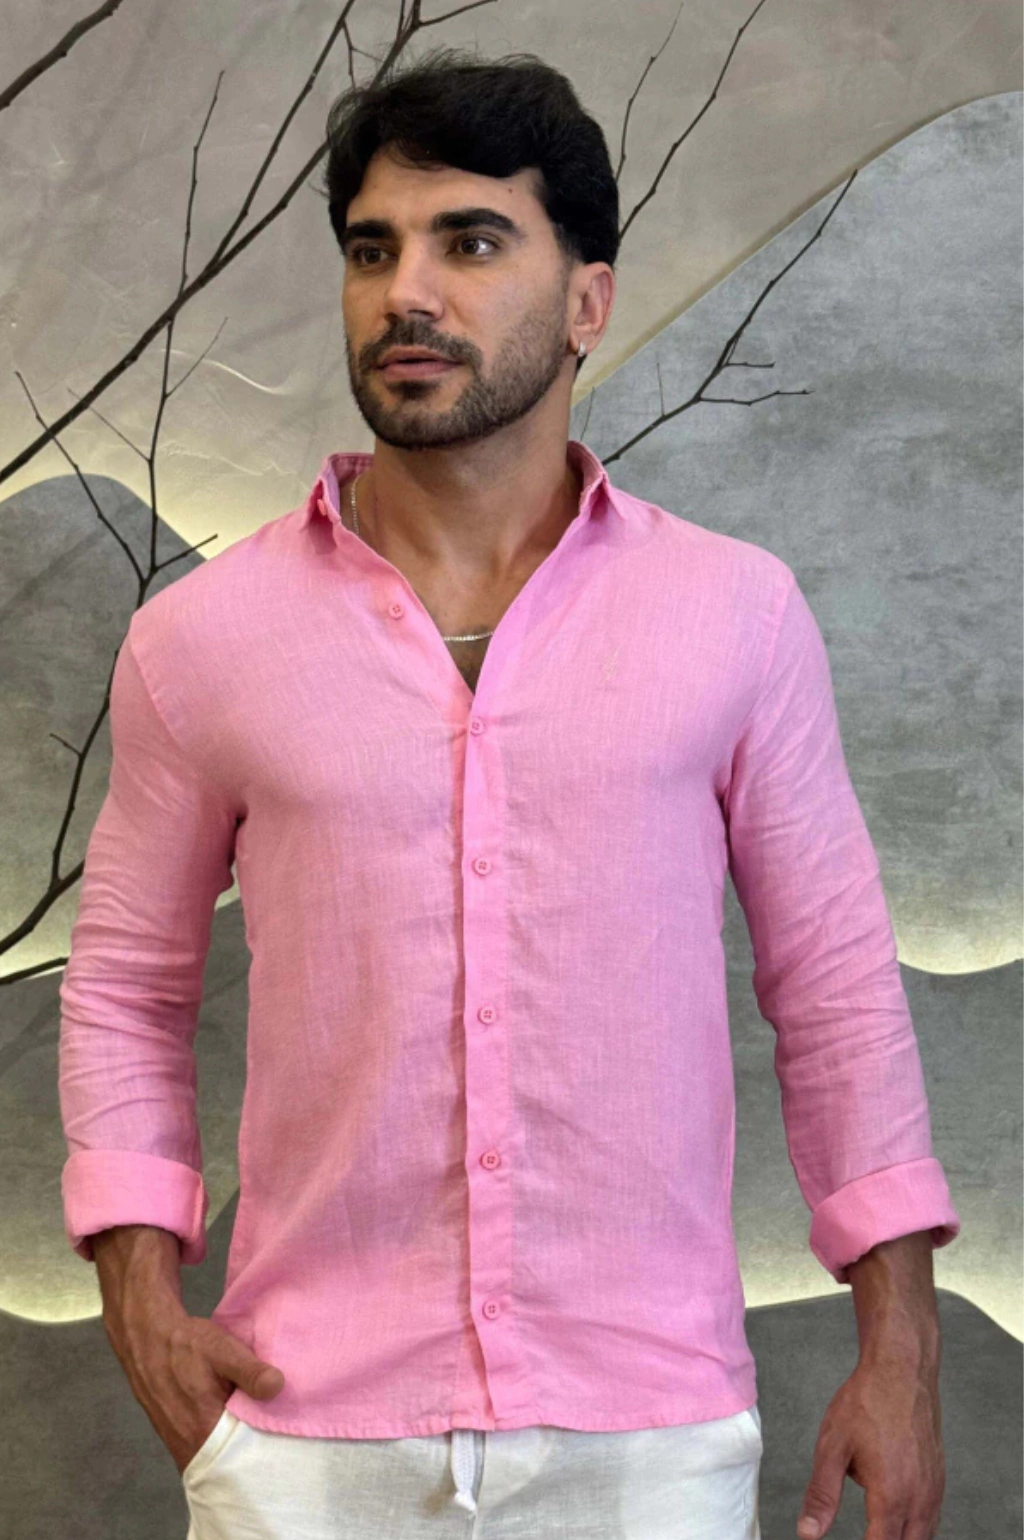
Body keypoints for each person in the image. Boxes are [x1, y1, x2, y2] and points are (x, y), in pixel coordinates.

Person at [59, 47, 961, 1540]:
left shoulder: (733, 616)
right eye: (373, 250)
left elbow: (837, 987)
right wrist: (142, 1302)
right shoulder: (201, 641)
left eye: (470, 242)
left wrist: (903, 1350)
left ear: (588, 300)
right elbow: (124, 990)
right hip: (305, 1437)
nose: (406, 293)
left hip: (650, 1436)